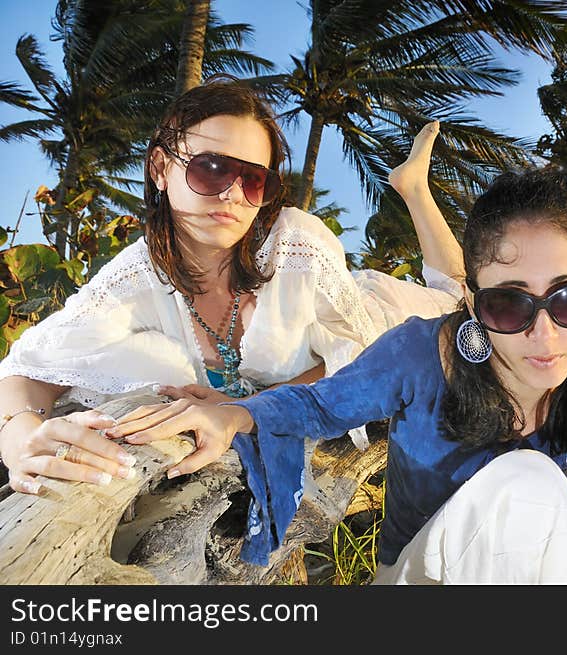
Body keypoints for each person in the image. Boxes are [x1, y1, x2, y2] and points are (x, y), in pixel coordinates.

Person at [109, 167, 567, 584]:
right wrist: (239, 412)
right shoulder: (420, 353)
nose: (544, 332)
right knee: (526, 481)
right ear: (472, 302)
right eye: (510, 302)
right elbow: (322, 406)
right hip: (418, 580)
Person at [0, 76, 463, 495]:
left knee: (459, 297)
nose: (233, 194)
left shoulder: (297, 245)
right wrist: (20, 437)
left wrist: (247, 407)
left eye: (254, 179)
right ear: (161, 169)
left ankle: (413, 188)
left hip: (372, 312)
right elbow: (24, 370)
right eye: (211, 168)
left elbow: (359, 356)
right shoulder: (136, 275)